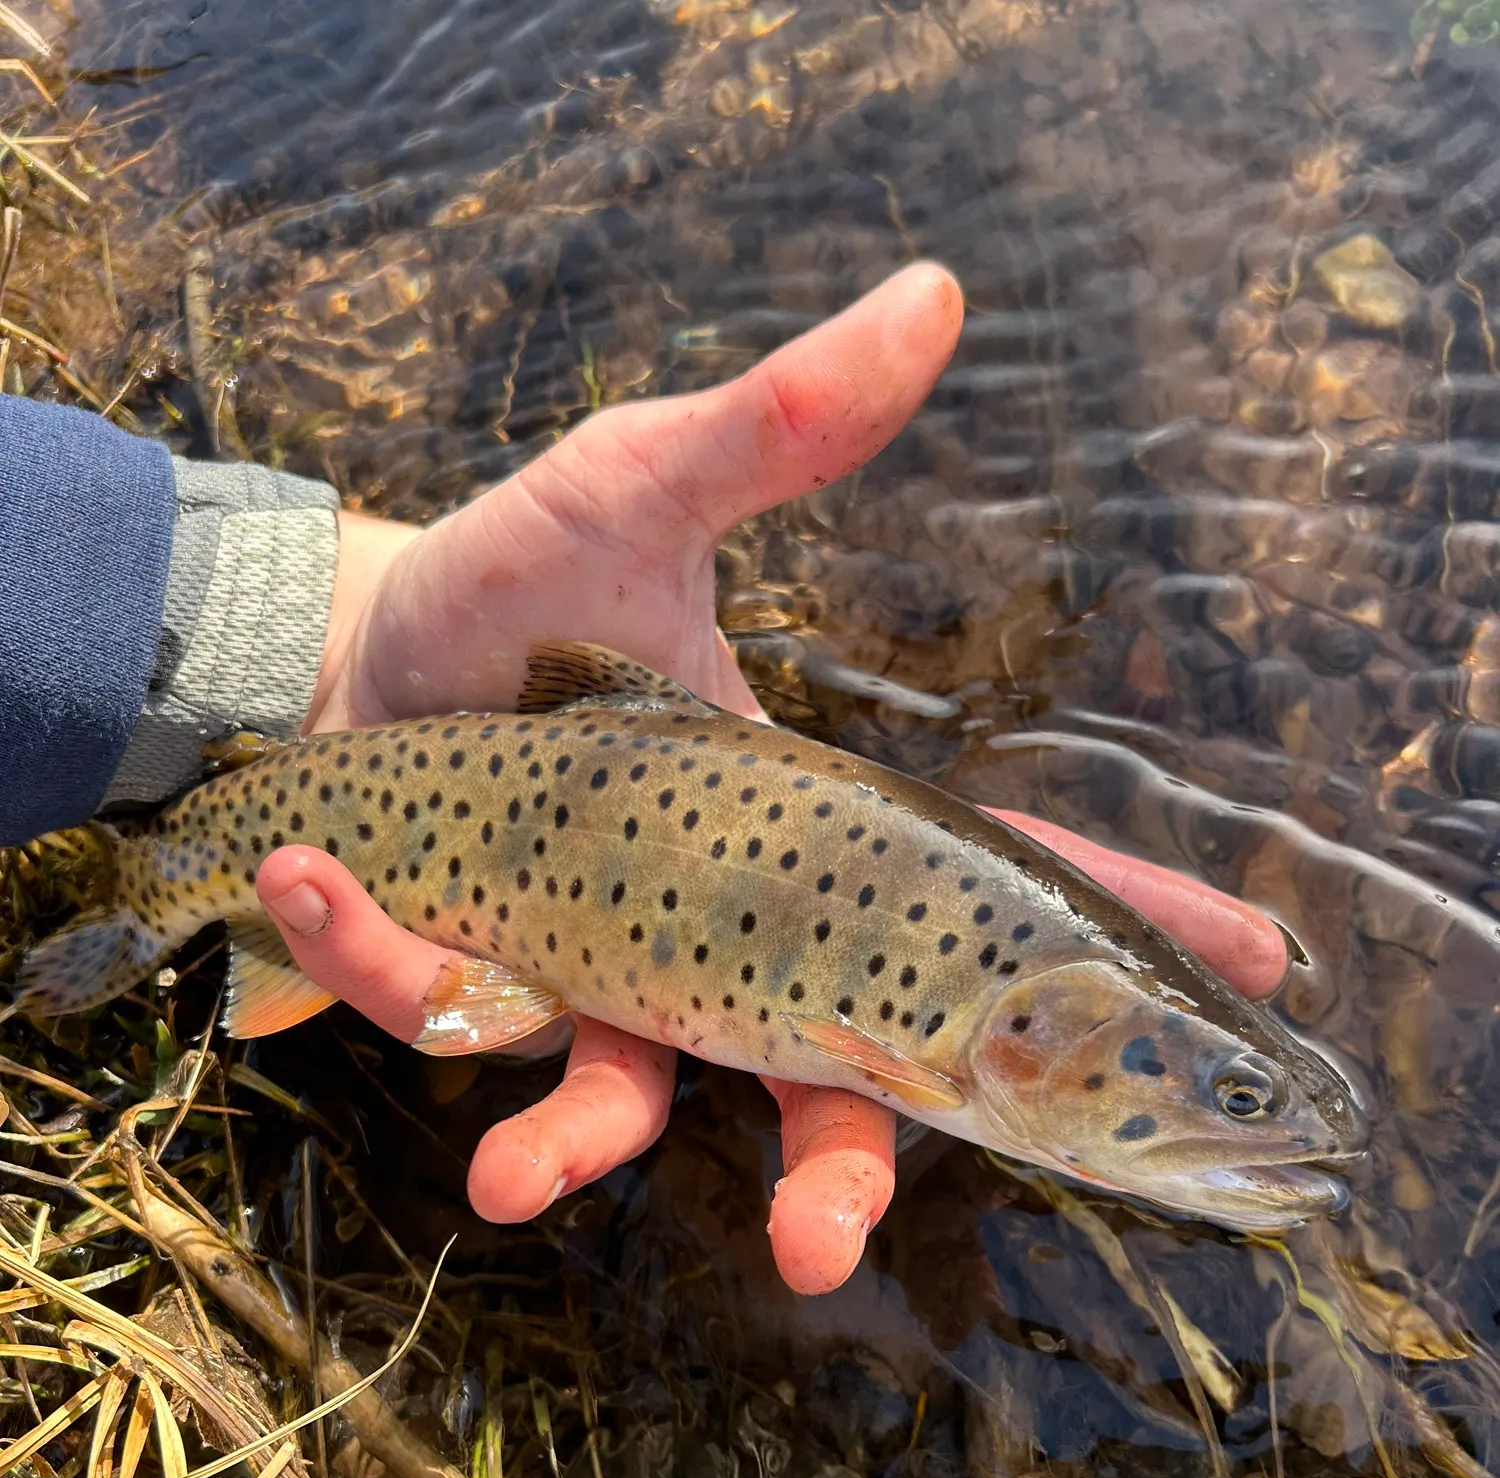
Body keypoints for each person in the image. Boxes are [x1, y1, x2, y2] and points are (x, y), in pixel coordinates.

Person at [0, 262, 1289, 1294]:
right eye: (1237, 1099)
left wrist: (329, 625)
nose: (1253, 1127)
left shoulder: (1004, 1015)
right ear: (1050, 1033)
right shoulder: (983, 1043)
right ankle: (159, 890)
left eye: (1243, 1098)